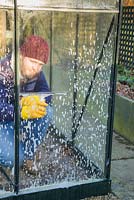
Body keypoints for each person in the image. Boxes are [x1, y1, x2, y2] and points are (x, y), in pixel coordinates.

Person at [0, 35, 53, 173]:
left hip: (16, 119)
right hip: (2, 122)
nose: (36, 68)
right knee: (13, 158)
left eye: (40, 64)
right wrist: (20, 110)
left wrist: (34, 99)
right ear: (20, 56)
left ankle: (29, 155)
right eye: (33, 61)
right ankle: (11, 154)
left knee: (46, 112)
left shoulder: (35, 73)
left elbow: (46, 94)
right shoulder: (2, 71)